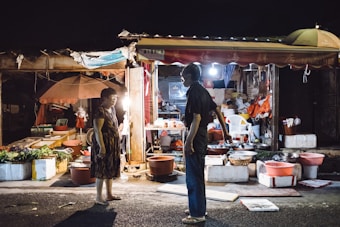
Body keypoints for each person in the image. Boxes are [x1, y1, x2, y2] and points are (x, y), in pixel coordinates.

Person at [181, 63, 232, 224]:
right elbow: (217, 110)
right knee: (197, 174)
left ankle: (197, 214)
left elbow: (197, 119)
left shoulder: (194, 92)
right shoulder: (203, 91)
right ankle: (198, 208)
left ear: (189, 77)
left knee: (193, 176)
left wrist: (188, 142)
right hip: (202, 135)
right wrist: (225, 132)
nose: (182, 81)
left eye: (183, 78)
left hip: (196, 135)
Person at [91, 88, 122, 205]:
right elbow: (97, 130)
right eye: (112, 99)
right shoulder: (100, 111)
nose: (114, 101)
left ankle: (109, 194)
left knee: (110, 169)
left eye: (116, 98)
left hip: (112, 144)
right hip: (103, 144)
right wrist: (102, 147)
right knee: (101, 170)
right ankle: (99, 197)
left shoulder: (112, 109)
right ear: (104, 99)